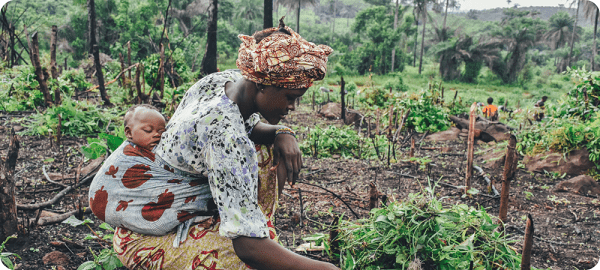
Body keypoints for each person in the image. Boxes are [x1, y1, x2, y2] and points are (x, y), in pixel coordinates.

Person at [89, 19, 338, 270]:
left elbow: (249, 128)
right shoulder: (225, 137)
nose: (292, 108)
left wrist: (283, 132)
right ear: (262, 83)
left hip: (173, 208)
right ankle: (248, 230)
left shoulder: (223, 82)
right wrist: (325, 269)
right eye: (290, 98)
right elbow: (248, 249)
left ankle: (256, 224)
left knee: (268, 147)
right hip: (145, 238)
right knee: (253, 265)